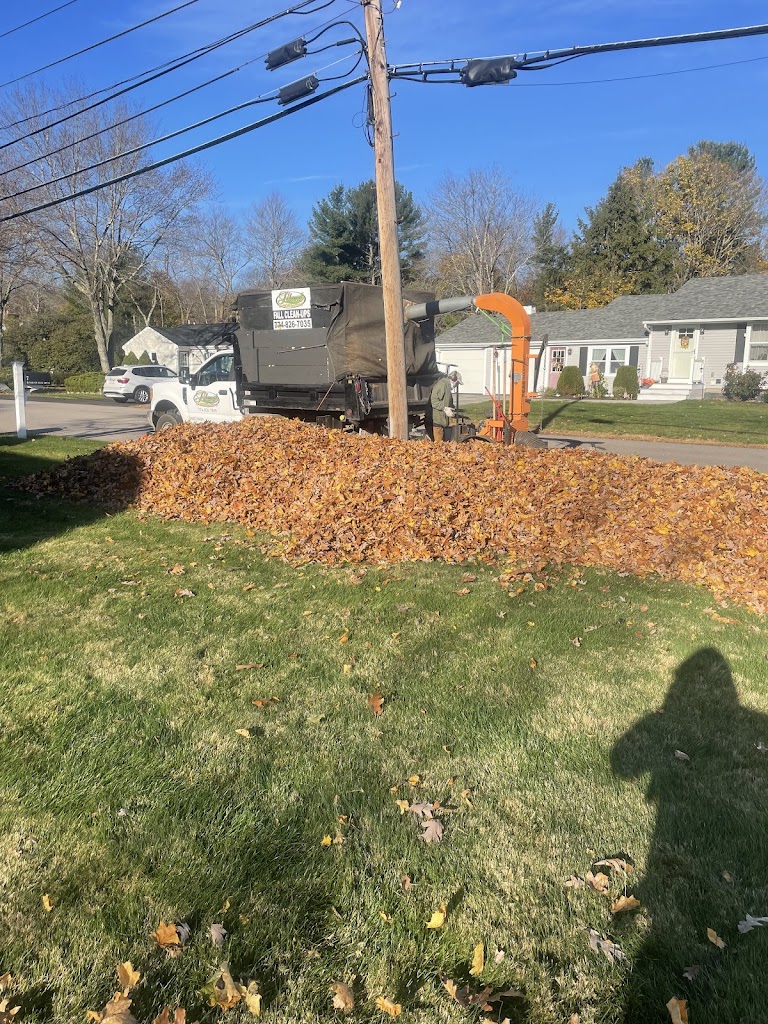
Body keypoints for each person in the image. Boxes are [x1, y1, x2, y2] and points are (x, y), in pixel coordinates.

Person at [429, 370, 462, 441]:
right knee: (439, 445)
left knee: (444, 444)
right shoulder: (442, 385)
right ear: (454, 380)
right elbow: (434, 401)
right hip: (438, 421)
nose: (457, 385)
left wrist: (452, 409)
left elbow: (448, 402)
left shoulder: (447, 387)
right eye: (457, 383)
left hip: (443, 421)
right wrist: (445, 408)